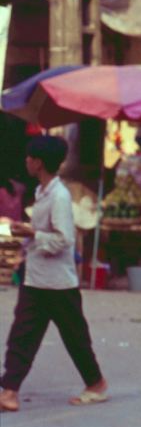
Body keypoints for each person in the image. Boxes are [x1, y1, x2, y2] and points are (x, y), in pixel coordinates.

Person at [0, 136, 109, 412]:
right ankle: (9, 391)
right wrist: (23, 232)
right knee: (22, 335)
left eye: (29, 157)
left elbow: (64, 240)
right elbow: (42, 233)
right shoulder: (41, 192)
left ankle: (96, 384)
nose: (25, 160)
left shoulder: (58, 196)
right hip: (36, 278)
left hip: (58, 283)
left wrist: (32, 233)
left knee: (75, 338)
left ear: (38, 163)